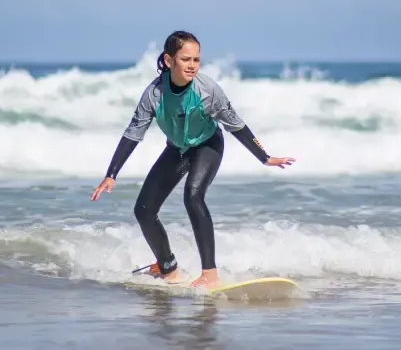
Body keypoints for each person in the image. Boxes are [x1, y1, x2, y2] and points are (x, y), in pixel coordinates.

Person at [90, 31, 295, 289]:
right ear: (168, 60)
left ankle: (210, 274)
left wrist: (264, 157)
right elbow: (133, 134)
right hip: (177, 149)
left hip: (208, 145)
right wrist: (112, 174)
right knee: (143, 210)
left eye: (196, 60)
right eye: (185, 59)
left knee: (193, 196)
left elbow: (237, 125)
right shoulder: (154, 94)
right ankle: (167, 267)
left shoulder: (208, 90)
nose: (192, 65)